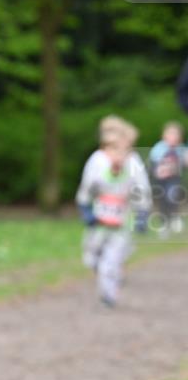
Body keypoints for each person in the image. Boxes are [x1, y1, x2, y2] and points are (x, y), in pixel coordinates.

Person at [76, 116, 151, 308]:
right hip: (99, 219)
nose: (120, 154)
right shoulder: (97, 161)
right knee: (92, 257)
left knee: (112, 260)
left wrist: (142, 214)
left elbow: (141, 189)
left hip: (121, 220)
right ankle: (107, 273)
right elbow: (86, 188)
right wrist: (86, 210)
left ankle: (108, 294)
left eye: (126, 149)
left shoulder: (133, 163)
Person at [148, 121, 186, 236]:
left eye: (176, 135)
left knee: (173, 197)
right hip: (160, 181)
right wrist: (159, 170)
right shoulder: (159, 148)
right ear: (164, 136)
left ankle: (175, 217)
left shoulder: (180, 149)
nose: (173, 138)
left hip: (174, 180)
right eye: (170, 134)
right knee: (163, 202)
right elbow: (153, 164)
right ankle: (164, 224)